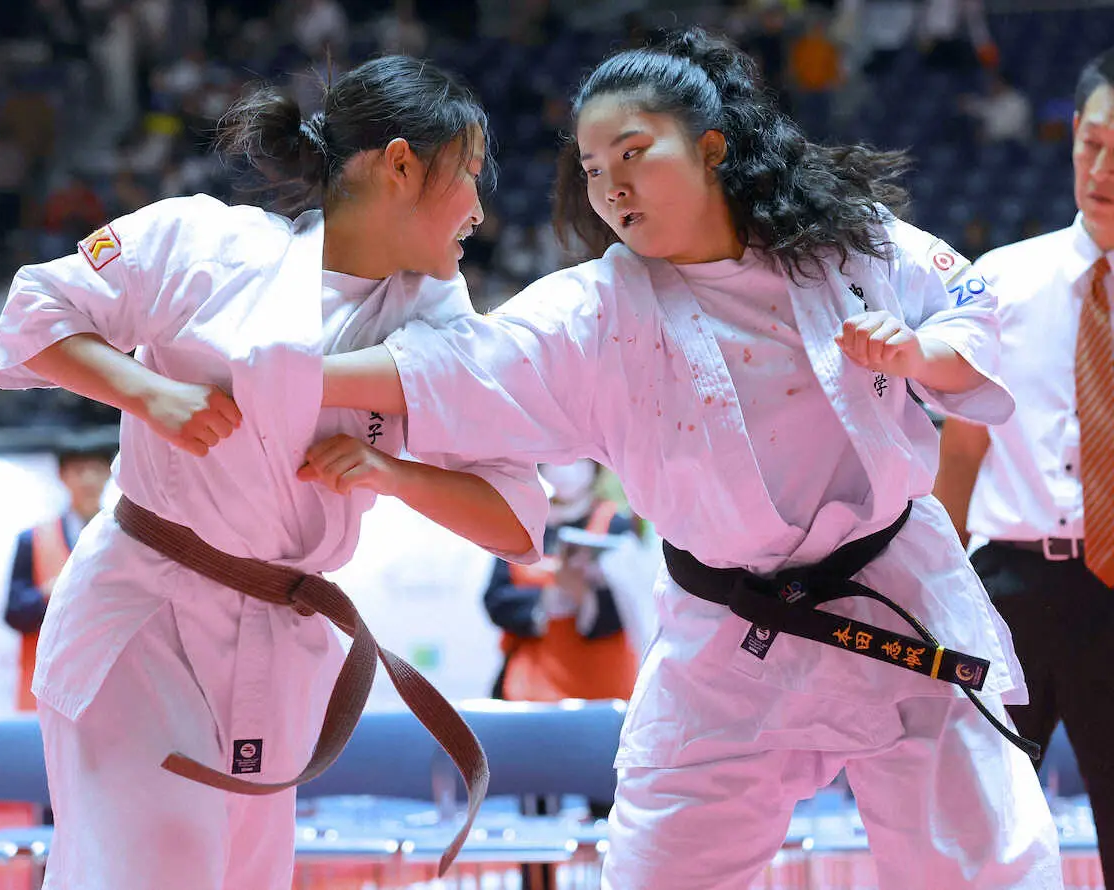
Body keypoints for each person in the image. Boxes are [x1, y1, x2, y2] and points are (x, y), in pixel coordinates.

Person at [318, 28, 1064, 890]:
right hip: (727, 634)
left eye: (633, 153)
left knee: (988, 873)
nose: (612, 187)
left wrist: (922, 355)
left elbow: (967, 297)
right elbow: (463, 366)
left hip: (896, 597)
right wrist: (297, 376)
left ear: (711, 147)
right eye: (593, 169)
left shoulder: (844, 242)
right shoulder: (598, 309)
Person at [0, 56, 548, 890]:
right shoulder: (204, 240)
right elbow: (31, 316)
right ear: (400, 165)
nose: (478, 210)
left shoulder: (440, 318)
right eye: (467, 175)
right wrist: (151, 394)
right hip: (146, 616)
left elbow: (514, 520)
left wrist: (392, 473)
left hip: (283, 641)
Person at [935, 46, 1114, 885]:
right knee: (985, 835)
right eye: (1093, 144)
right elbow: (960, 451)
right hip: (1010, 590)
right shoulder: (998, 283)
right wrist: (934, 595)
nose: (1104, 170)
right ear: (1073, 134)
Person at [485, 458, 640, 703]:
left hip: (604, 694)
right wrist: (546, 601)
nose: (565, 469)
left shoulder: (617, 525)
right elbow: (495, 599)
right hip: (528, 691)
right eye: (558, 460)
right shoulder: (521, 523)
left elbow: (634, 607)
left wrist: (584, 595)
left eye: (577, 460)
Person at [4, 442, 113, 712]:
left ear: (110, 473)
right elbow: (14, 612)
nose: (88, 479)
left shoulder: (125, 537)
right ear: (63, 475)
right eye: (79, 470)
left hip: (109, 684)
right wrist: (49, 594)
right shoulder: (33, 540)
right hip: (46, 685)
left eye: (96, 469)